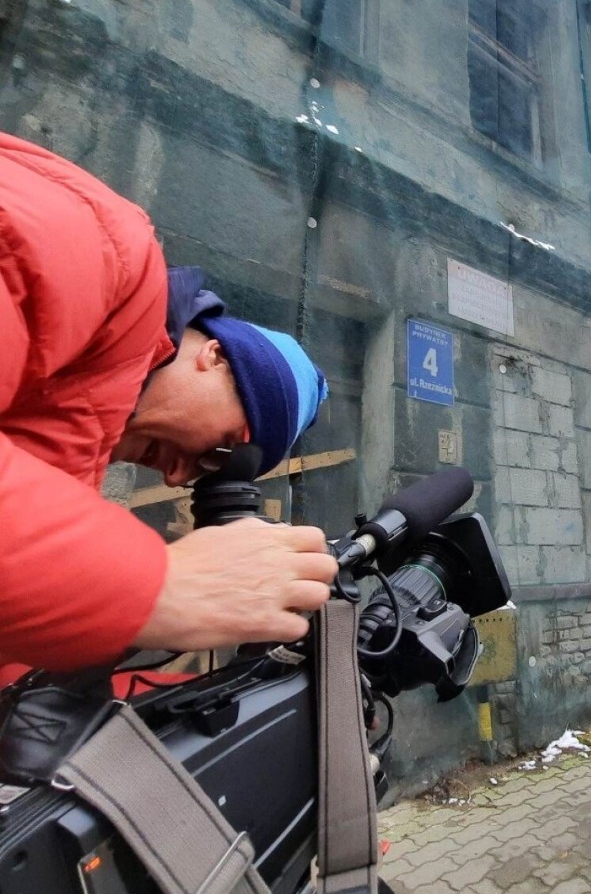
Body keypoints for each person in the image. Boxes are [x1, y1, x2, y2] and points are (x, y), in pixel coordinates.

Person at [0, 132, 338, 681]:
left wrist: (182, 707)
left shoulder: (66, 450)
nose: (179, 475)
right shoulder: (95, 247)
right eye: (223, 452)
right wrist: (156, 587)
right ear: (216, 357)